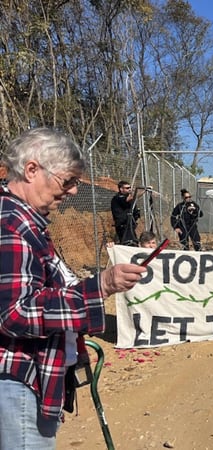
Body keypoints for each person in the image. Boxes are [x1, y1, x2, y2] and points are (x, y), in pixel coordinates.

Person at [0, 127, 146, 448]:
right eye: (67, 181)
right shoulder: (12, 223)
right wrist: (99, 287)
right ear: (31, 170)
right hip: (17, 382)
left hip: (27, 380)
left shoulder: (29, 222)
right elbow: (14, 313)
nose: (71, 191)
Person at [110, 180, 140, 245]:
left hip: (129, 226)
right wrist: (141, 191)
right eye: (127, 188)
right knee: (128, 244)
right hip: (122, 226)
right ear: (121, 189)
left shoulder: (128, 198)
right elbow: (127, 199)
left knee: (134, 243)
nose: (129, 189)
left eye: (130, 188)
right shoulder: (117, 198)